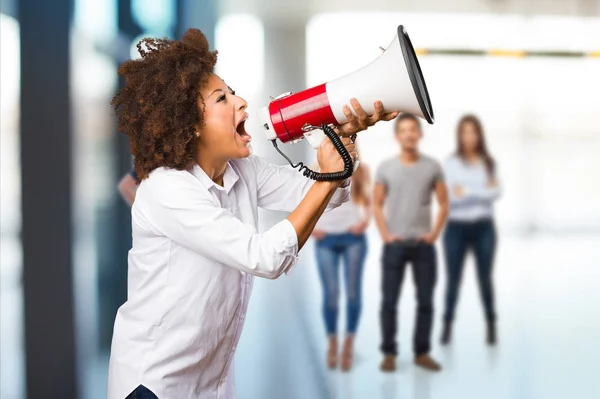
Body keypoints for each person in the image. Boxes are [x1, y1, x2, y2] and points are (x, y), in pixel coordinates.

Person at [106, 28, 398, 399]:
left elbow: (322, 195)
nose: (241, 101)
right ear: (190, 125)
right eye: (222, 98)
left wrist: (343, 141)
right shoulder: (167, 189)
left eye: (233, 91)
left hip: (210, 384)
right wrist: (329, 175)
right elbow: (264, 257)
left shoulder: (242, 170)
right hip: (154, 385)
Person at [373, 113, 448, 372]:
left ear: (420, 134)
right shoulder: (385, 168)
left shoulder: (432, 167)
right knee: (389, 302)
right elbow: (376, 203)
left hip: (423, 246)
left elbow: (444, 202)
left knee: (425, 302)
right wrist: (385, 234)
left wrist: (434, 234)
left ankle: (422, 352)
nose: (408, 134)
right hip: (394, 245)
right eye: (403, 130)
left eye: (412, 130)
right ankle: (389, 354)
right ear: (397, 136)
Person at [440, 114, 501, 346]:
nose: (469, 136)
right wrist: (481, 191)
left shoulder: (489, 162)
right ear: (459, 135)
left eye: (473, 131)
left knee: (485, 277)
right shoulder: (451, 164)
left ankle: (491, 323)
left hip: (484, 227)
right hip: (456, 227)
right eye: (465, 132)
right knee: (453, 278)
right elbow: (452, 198)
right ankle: (447, 325)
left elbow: (497, 193)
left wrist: (468, 192)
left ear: (479, 135)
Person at [311, 157, 372, 372]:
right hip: (325, 238)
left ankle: (348, 343)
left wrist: (365, 221)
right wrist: (310, 229)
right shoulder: (316, 167)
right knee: (332, 294)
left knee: (353, 293)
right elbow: (305, 201)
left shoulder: (360, 168)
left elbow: (368, 198)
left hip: (352, 238)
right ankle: (332, 343)